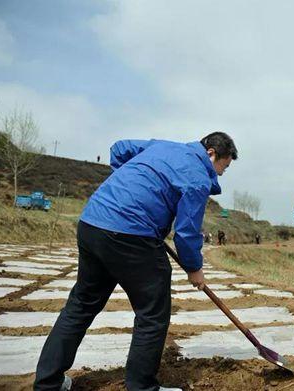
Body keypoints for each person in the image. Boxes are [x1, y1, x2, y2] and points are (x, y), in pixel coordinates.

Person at [34, 132, 237, 391]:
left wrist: (127, 187)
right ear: (211, 154)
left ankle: (47, 383)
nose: (220, 175)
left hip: (93, 223)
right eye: (224, 167)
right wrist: (194, 268)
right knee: (153, 313)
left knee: (81, 305)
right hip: (131, 235)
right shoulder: (197, 176)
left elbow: (119, 148)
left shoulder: (162, 146)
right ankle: (141, 387)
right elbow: (186, 232)